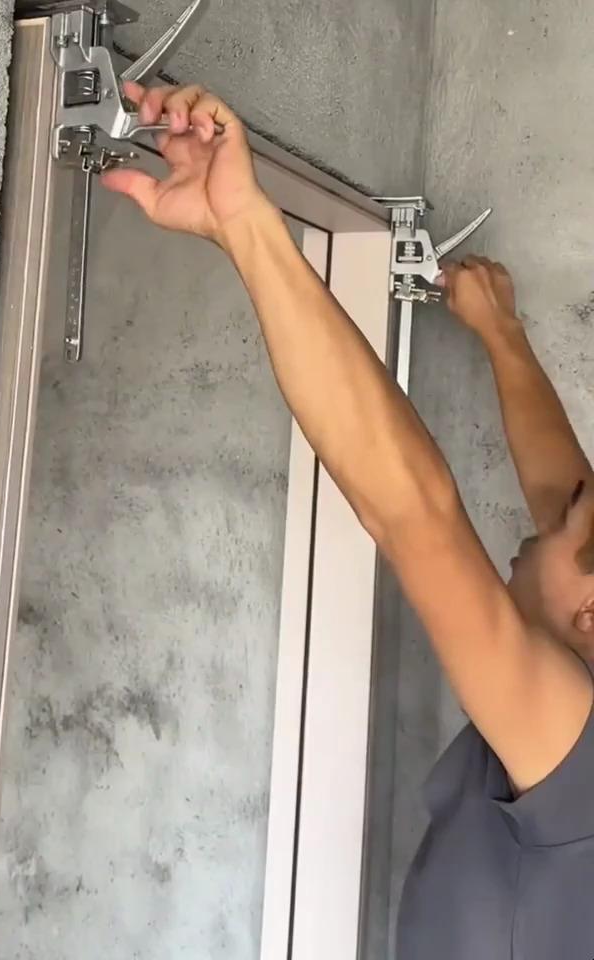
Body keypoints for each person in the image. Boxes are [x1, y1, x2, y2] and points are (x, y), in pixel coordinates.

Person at [103, 82, 594, 959]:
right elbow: (567, 491)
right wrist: (502, 335)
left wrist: (247, 225)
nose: (547, 511)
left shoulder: (574, 742)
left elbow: (414, 512)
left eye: (569, 521)